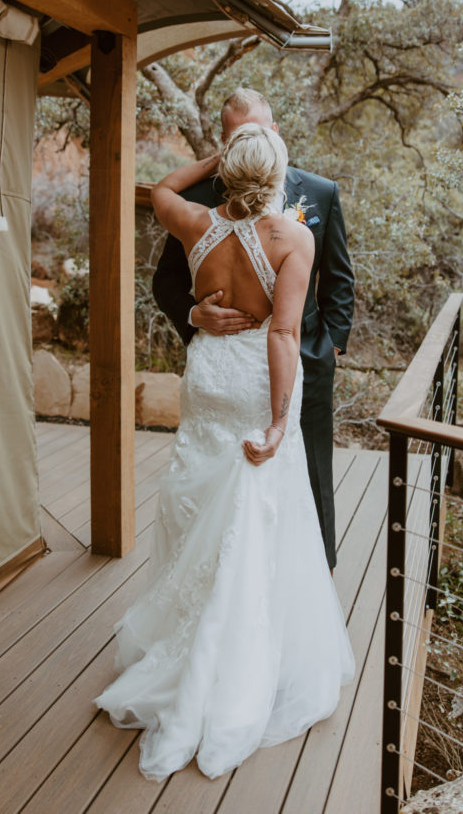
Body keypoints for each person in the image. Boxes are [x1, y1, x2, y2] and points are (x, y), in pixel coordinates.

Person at [93, 124, 355, 781]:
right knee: (255, 509)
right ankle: (235, 649)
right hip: (254, 383)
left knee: (200, 497)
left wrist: (218, 155)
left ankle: (188, 632)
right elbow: (285, 334)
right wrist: (274, 422)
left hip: (208, 379)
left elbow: (161, 187)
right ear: (277, 175)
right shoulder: (292, 238)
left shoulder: (192, 222)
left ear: (228, 173)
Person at [153, 89, 354, 571]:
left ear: (276, 132)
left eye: (256, 132)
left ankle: (315, 573)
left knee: (311, 474)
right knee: (234, 476)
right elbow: (166, 282)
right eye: (237, 135)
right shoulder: (202, 202)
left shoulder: (319, 192)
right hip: (240, 359)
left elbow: (341, 278)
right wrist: (195, 316)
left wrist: (331, 346)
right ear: (222, 142)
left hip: (306, 357)